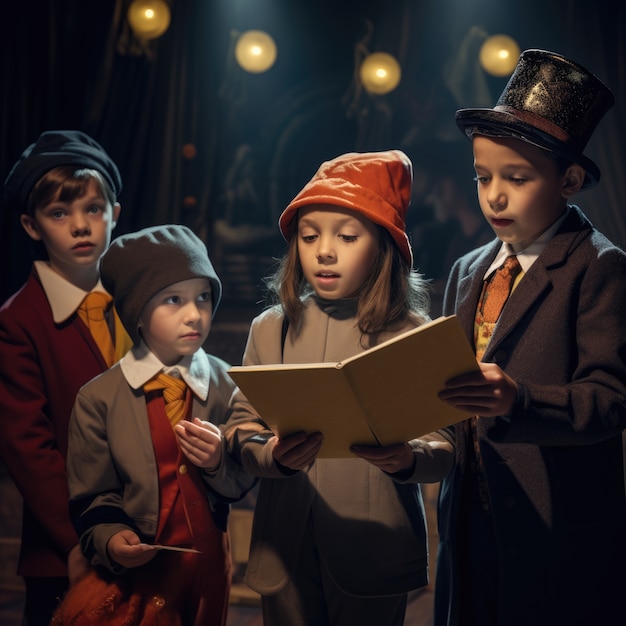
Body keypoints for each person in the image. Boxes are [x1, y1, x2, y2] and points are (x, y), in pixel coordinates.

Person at [224, 150, 456, 626]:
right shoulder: (272, 328)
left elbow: (447, 445)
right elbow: (239, 428)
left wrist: (408, 458)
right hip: (284, 548)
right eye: (309, 237)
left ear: (384, 246)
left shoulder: (412, 332)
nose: (324, 250)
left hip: (374, 550)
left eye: (347, 236)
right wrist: (270, 454)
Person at [435, 49, 626, 626]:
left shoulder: (599, 267)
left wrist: (521, 398)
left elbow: (611, 399)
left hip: (554, 523)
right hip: (469, 512)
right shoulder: (469, 269)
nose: (494, 195)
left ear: (568, 180)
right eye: (482, 176)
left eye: (517, 179)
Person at [51, 224, 257, 626]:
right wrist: (111, 539)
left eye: (203, 297)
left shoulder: (229, 383)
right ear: (138, 312)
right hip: (138, 576)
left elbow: (244, 477)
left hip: (208, 568)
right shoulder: (99, 398)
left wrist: (218, 462)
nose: (195, 313)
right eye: (174, 300)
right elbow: (92, 496)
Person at [0, 130, 132, 626]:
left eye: (93, 209)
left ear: (114, 213)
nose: (80, 225)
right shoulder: (19, 320)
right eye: (59, 214)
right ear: (32, 227)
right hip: (67, 547)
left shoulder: (141, 300)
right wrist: (81, 537)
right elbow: (28, 447)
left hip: (147, 533)